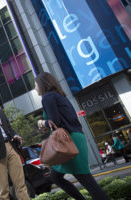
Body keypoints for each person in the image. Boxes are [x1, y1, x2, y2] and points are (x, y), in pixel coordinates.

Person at [35, 72, 110, 200]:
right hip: (74, 138)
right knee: (56, 177)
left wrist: (42, 122)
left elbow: (55, 122)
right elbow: (59, 121)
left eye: (36, 85)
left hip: (69, 141)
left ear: (42, 85)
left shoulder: (47, 97)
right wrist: (47, 125)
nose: (35, 88)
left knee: (87, 182)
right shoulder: (60, 96)